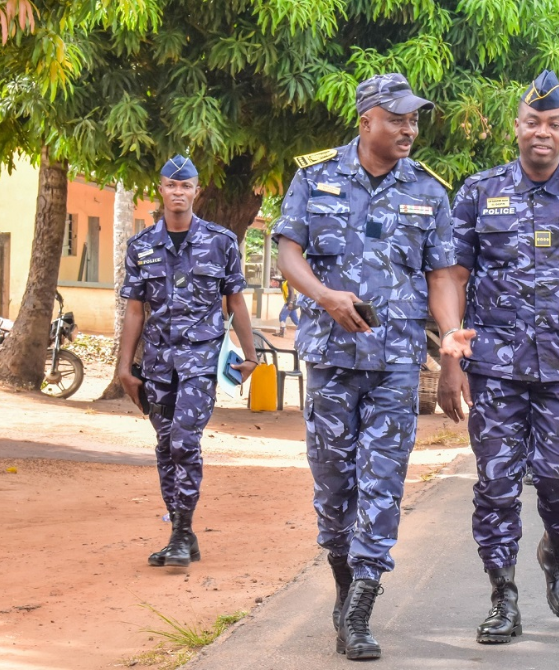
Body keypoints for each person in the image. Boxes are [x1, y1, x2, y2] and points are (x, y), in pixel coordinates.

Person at [273, 73, 470, 661]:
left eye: (414, 120)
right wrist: (325, 296)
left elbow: (441, 279)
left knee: (382, 481)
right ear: (366, 121)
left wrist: (453, 353)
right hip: (330, 359)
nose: (410, 129)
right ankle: (342, 581)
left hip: (397, 362)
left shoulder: (431, 192)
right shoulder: (313, 177)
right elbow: (288, 252)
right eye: (398, 119)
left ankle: (359, 609)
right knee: (333, 484)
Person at [438, 69, 559, 646]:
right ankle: (503, 597)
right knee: (495, 487)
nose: (541, 132)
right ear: (516, 128)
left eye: (553, 123)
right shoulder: (477, 193)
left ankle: (557, 548)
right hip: (494, 367)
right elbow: (452, 274)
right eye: (532, 122)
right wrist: (450, 355)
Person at [118, 155, 258, 569]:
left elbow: (235, 301)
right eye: (170, 185)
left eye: (186, 186)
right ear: (159, 190)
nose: (178, 192)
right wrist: (125, 367)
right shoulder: (141, 247)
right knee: (165, 446)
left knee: (184, 441)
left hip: (201, 362)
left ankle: (180, 533)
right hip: (158, 363)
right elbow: (135, 311)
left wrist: (250, 354)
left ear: (196, 191)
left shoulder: (221, 241)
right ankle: (183, 532)